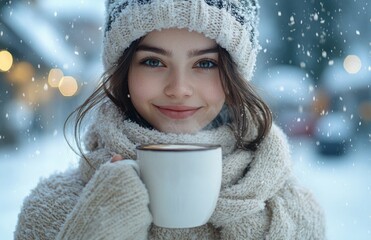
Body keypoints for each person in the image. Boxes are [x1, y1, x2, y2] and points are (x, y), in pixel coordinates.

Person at [15, 0, 326, 239]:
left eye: (205, 63)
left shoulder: (293, 216)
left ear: (235, 76)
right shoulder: (52, 212)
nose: (178, 89)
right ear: (123, 72)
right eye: (153, 61)